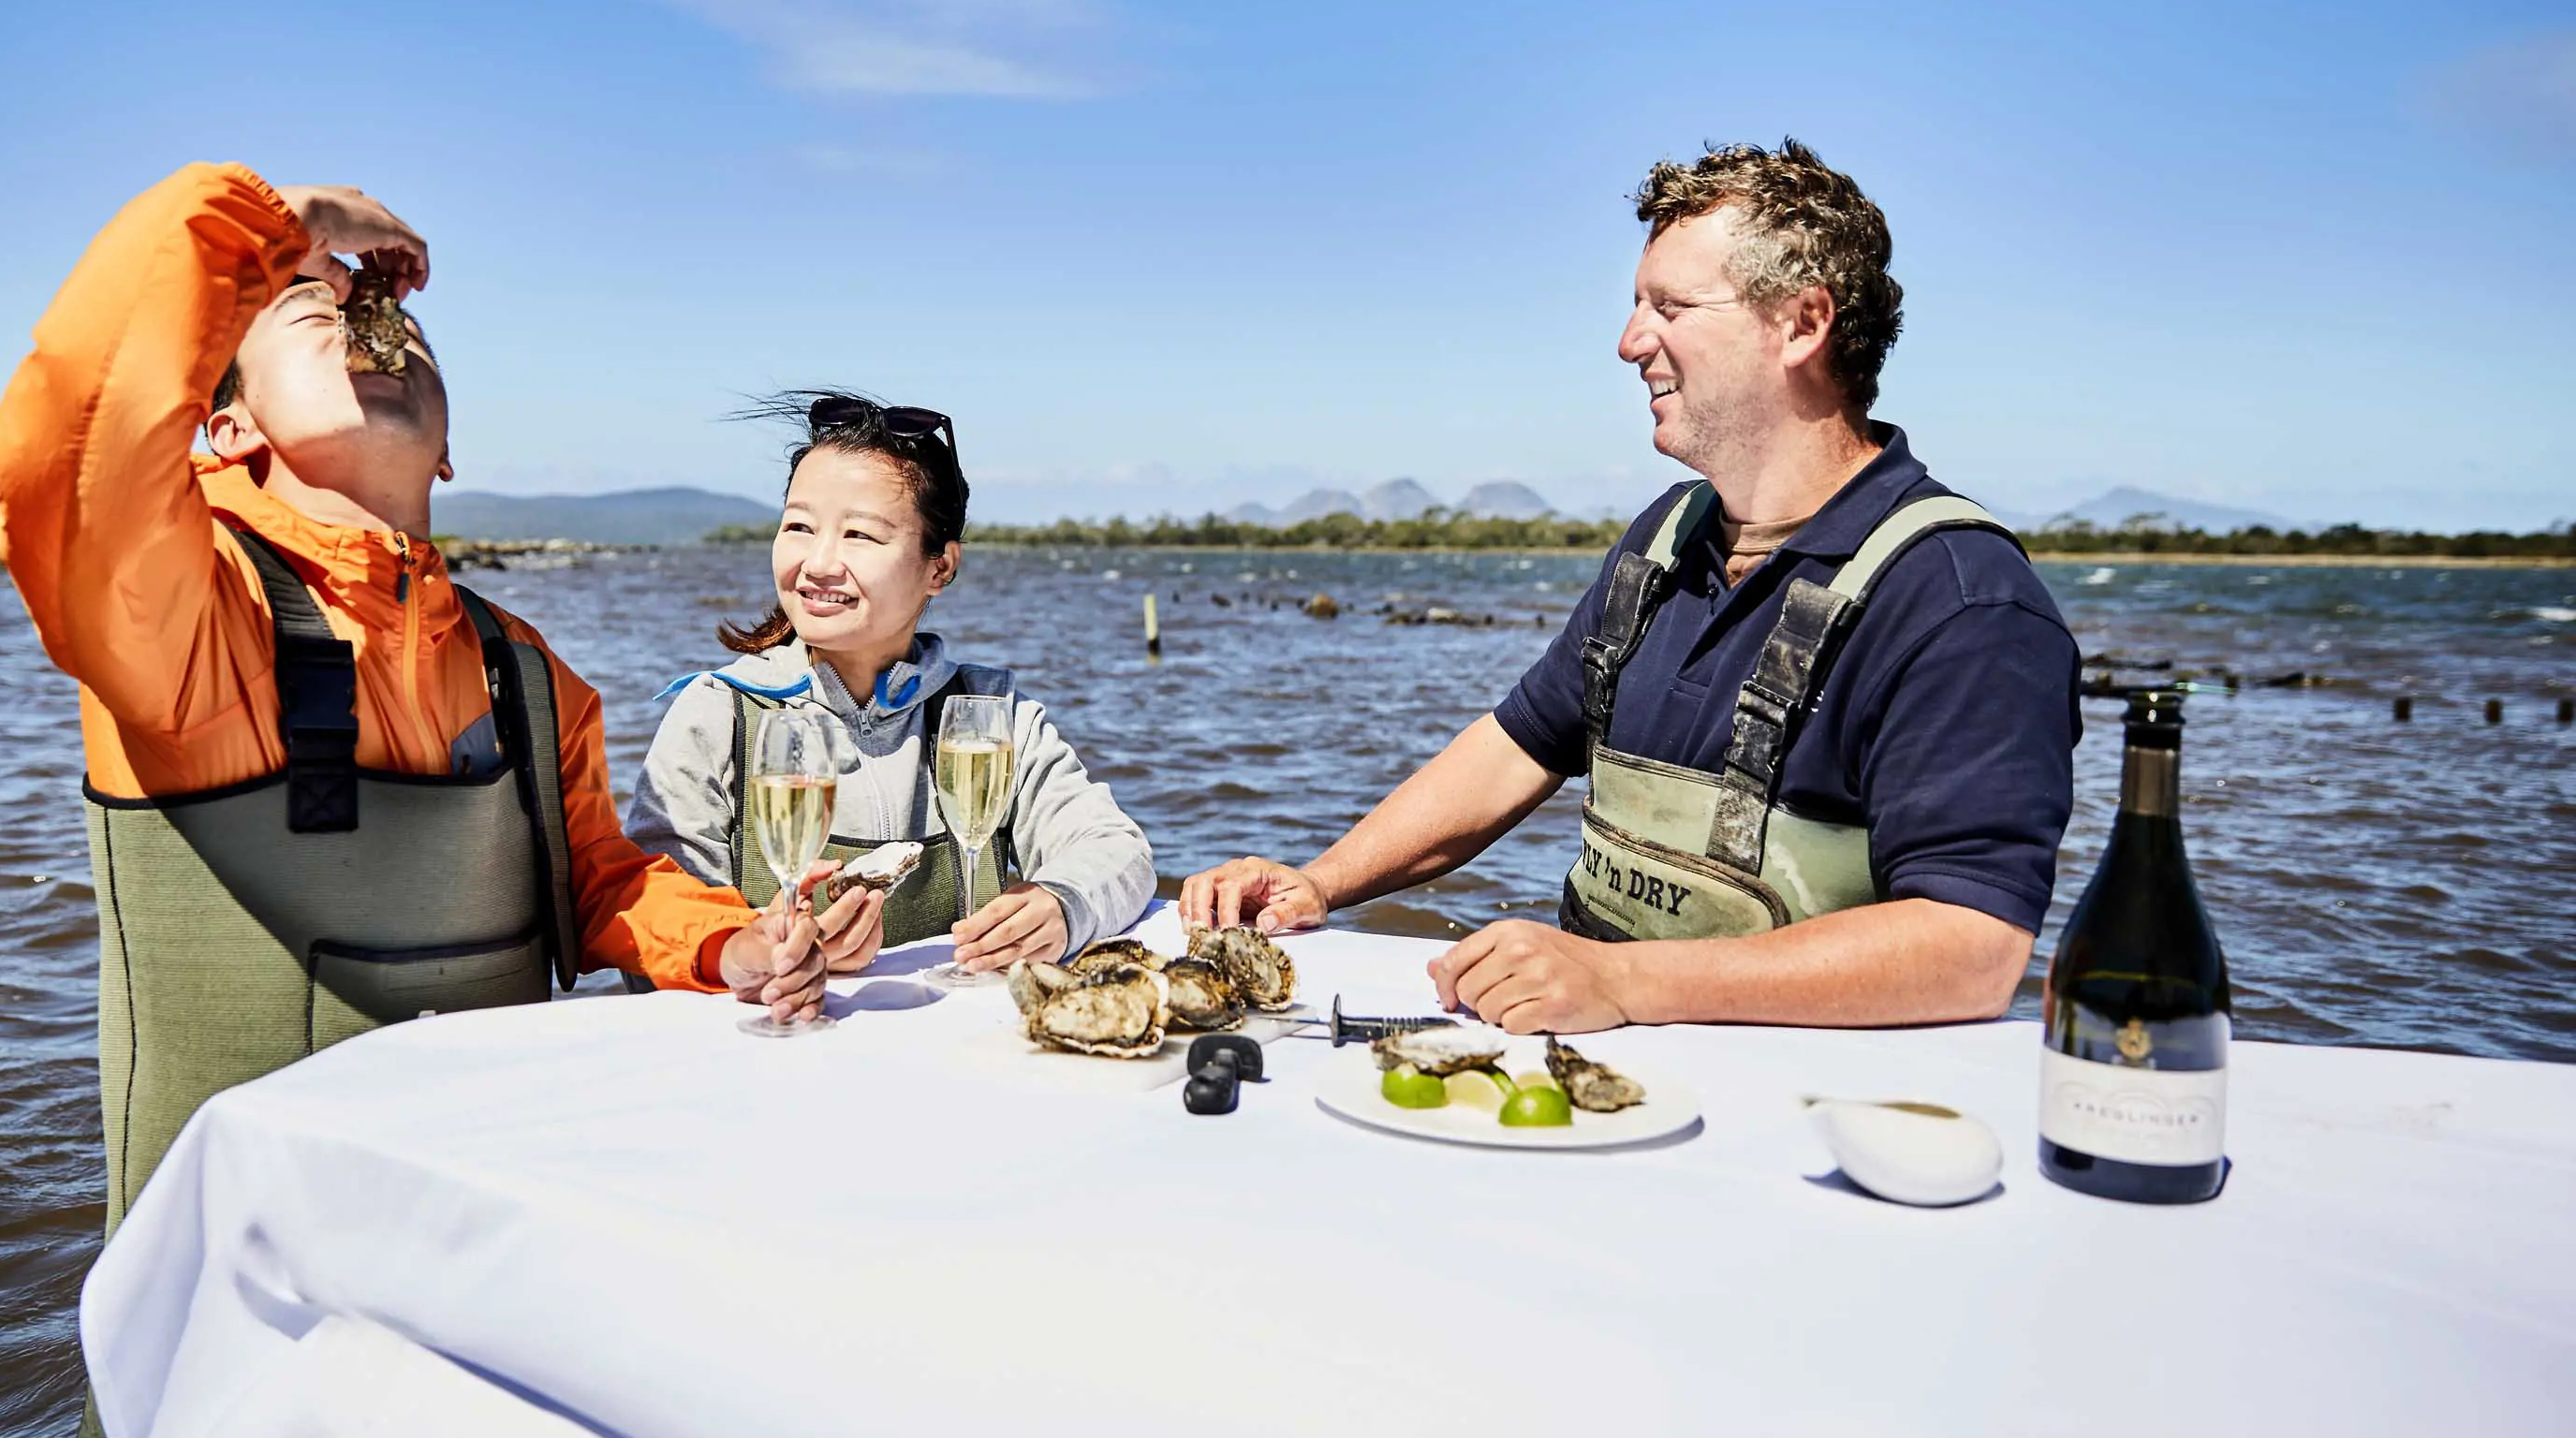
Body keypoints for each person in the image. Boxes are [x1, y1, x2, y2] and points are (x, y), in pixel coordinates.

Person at [0, 163, 859, 1438]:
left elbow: (604, 891)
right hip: (236, 1402)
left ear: (448, 457)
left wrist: (741, 942)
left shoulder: (524, 674)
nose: (364, 317)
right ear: (224, 416)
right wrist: (274, 233)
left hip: (480, 1369)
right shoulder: (176, 605)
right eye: (306, 314)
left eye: (384, 314)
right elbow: (58, 457)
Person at [1185, 140, 2080, 1034]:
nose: (1629, 343)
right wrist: (1319, 883)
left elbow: (1971, 950)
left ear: (1802, 325)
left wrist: (1624, 983)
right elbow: (1516, 747)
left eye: (1671, 307)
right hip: (1600, 1071)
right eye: (1634, 306)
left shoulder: (1962, 600)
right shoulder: (1665, 539)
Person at [628, 393, 1155, 971]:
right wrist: (753, 955)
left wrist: (1062, 905)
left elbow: (1117, 851)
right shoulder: (717, 715)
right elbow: (653, 924)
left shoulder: (993, 717)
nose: (820, 563)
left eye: (860, 536)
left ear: (940, 567)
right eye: (799, 527)